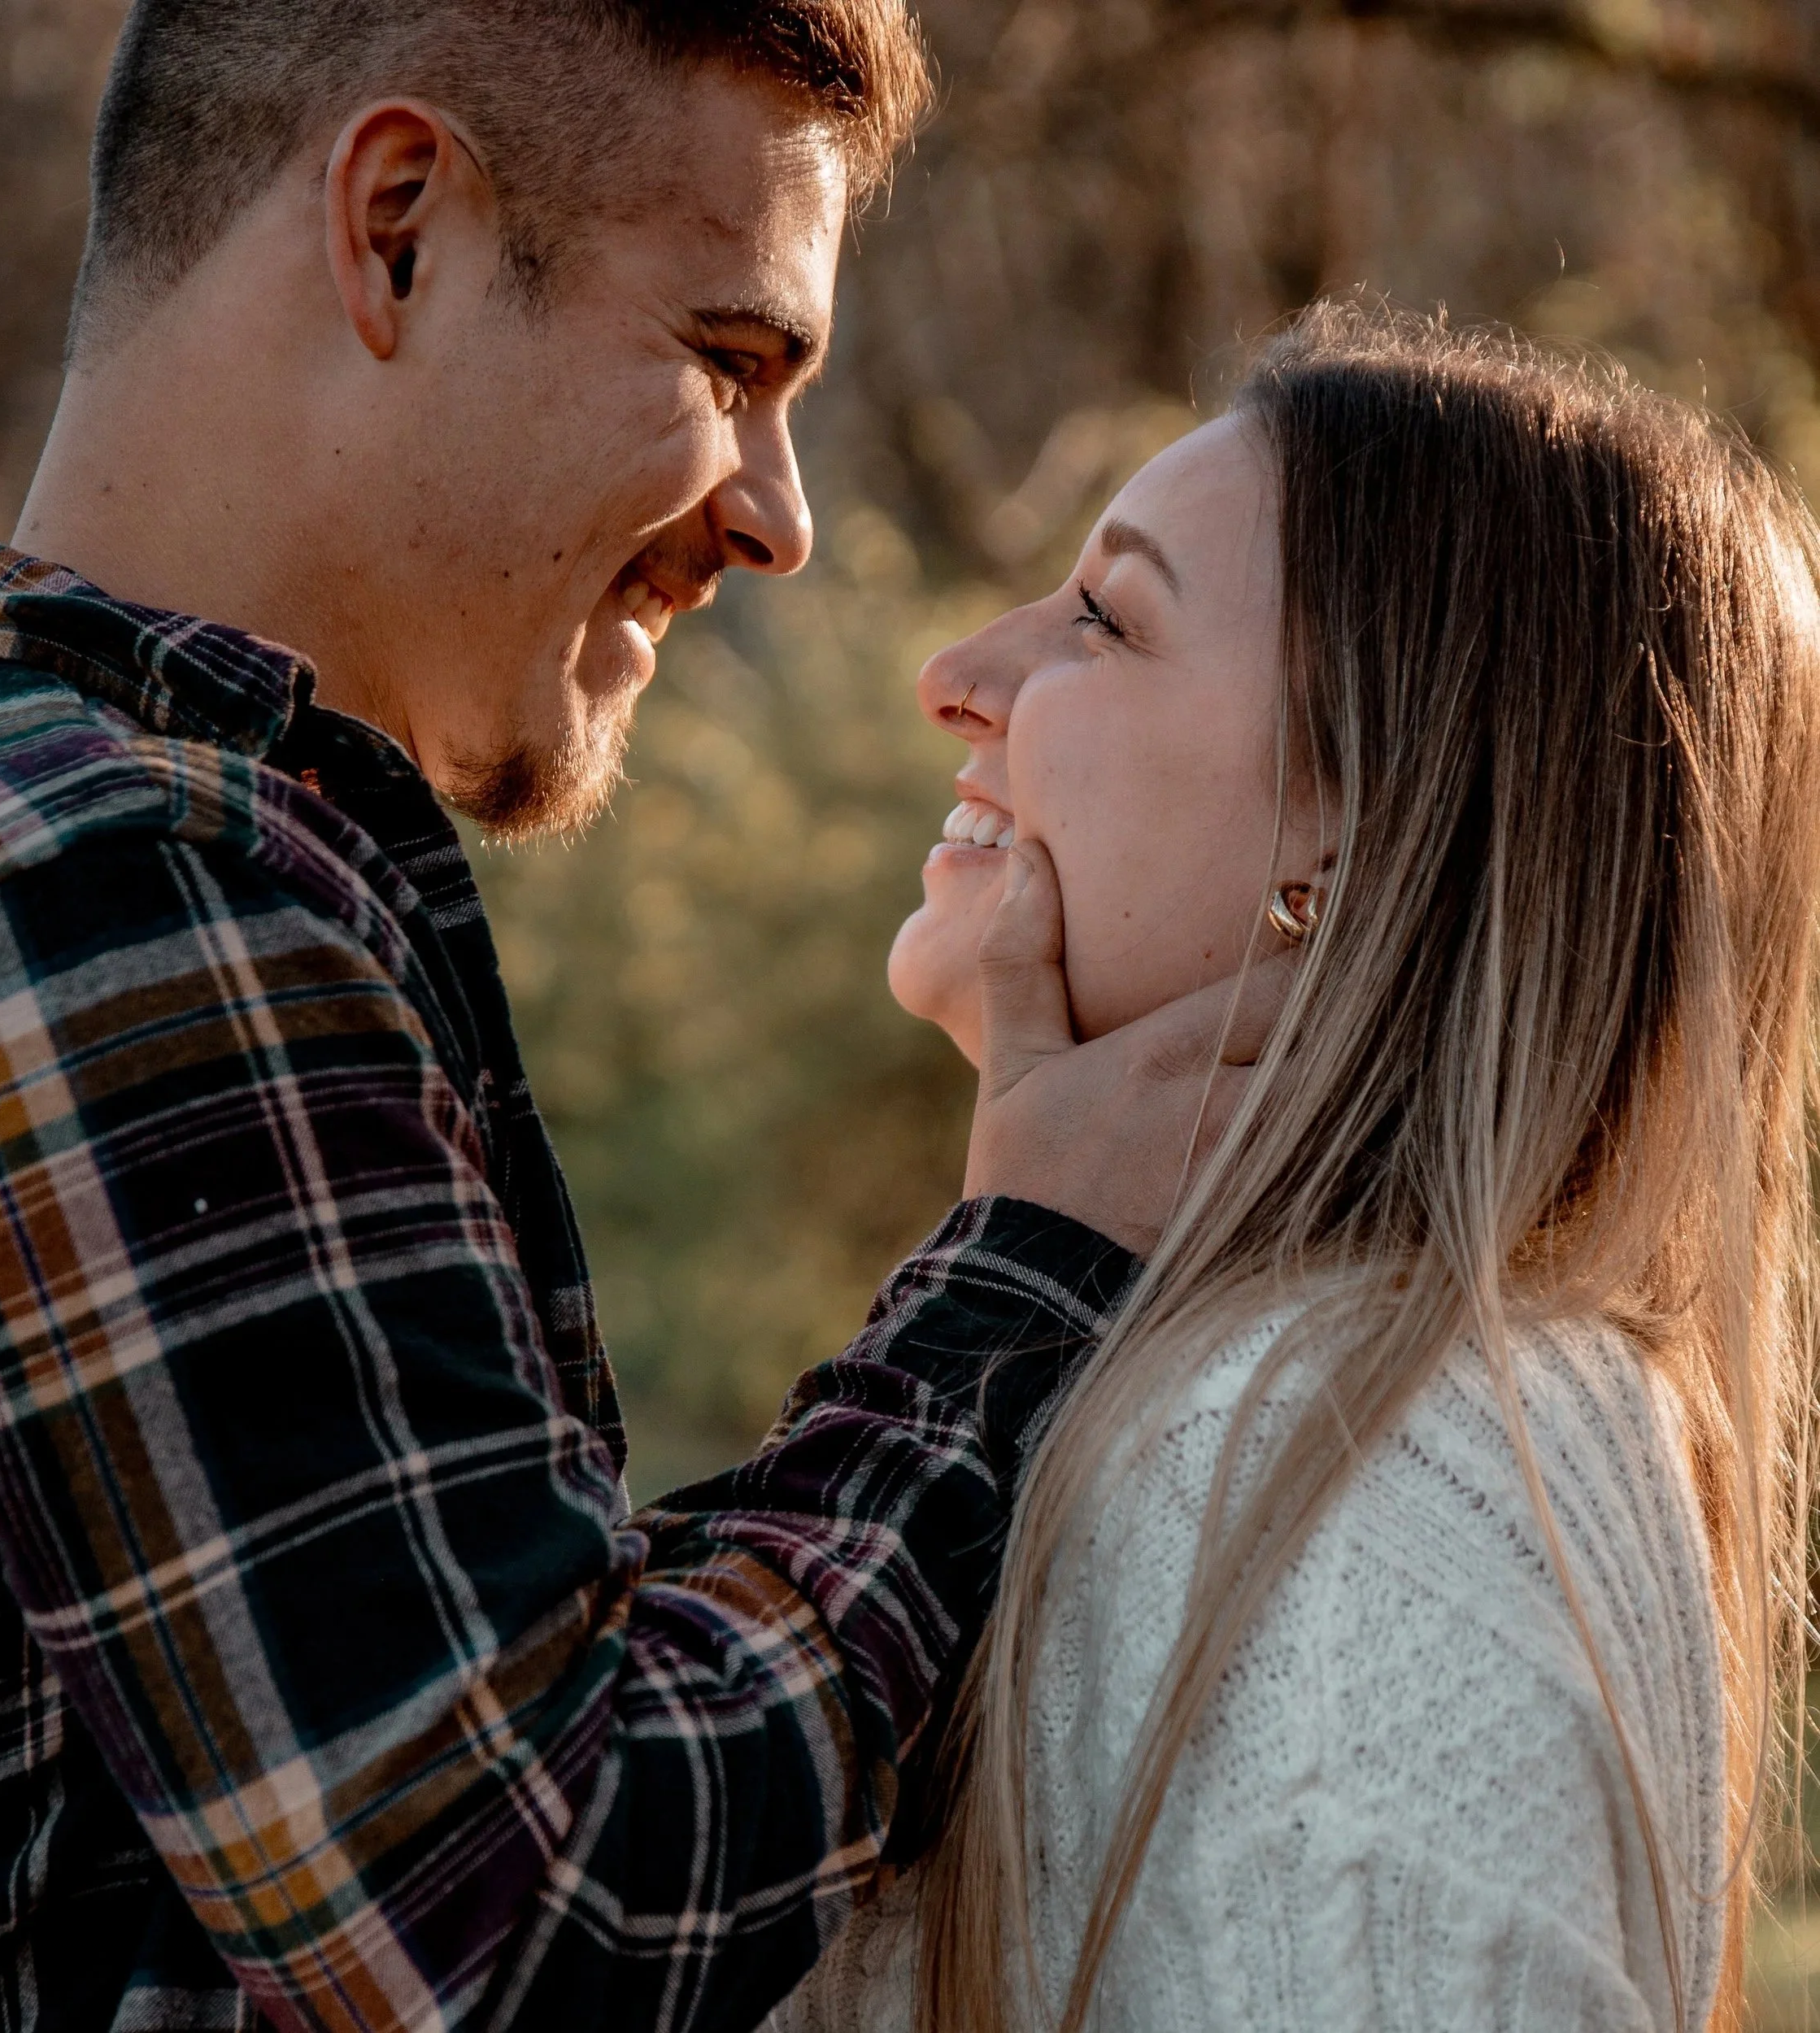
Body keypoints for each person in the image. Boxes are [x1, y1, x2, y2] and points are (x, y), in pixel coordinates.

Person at [0, 6, 1281, 2031]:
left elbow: (455, 1723)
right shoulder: (99, 891)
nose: (778, 516)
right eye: (726, 360)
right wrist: (1028, 1271)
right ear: (396, 229)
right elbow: (533, 1918)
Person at [774, 301, 1820, 2033]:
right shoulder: (1284, 1406)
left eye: (1104, 619)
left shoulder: (1375, 1461)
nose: (956, 669)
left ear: (1370, 831)